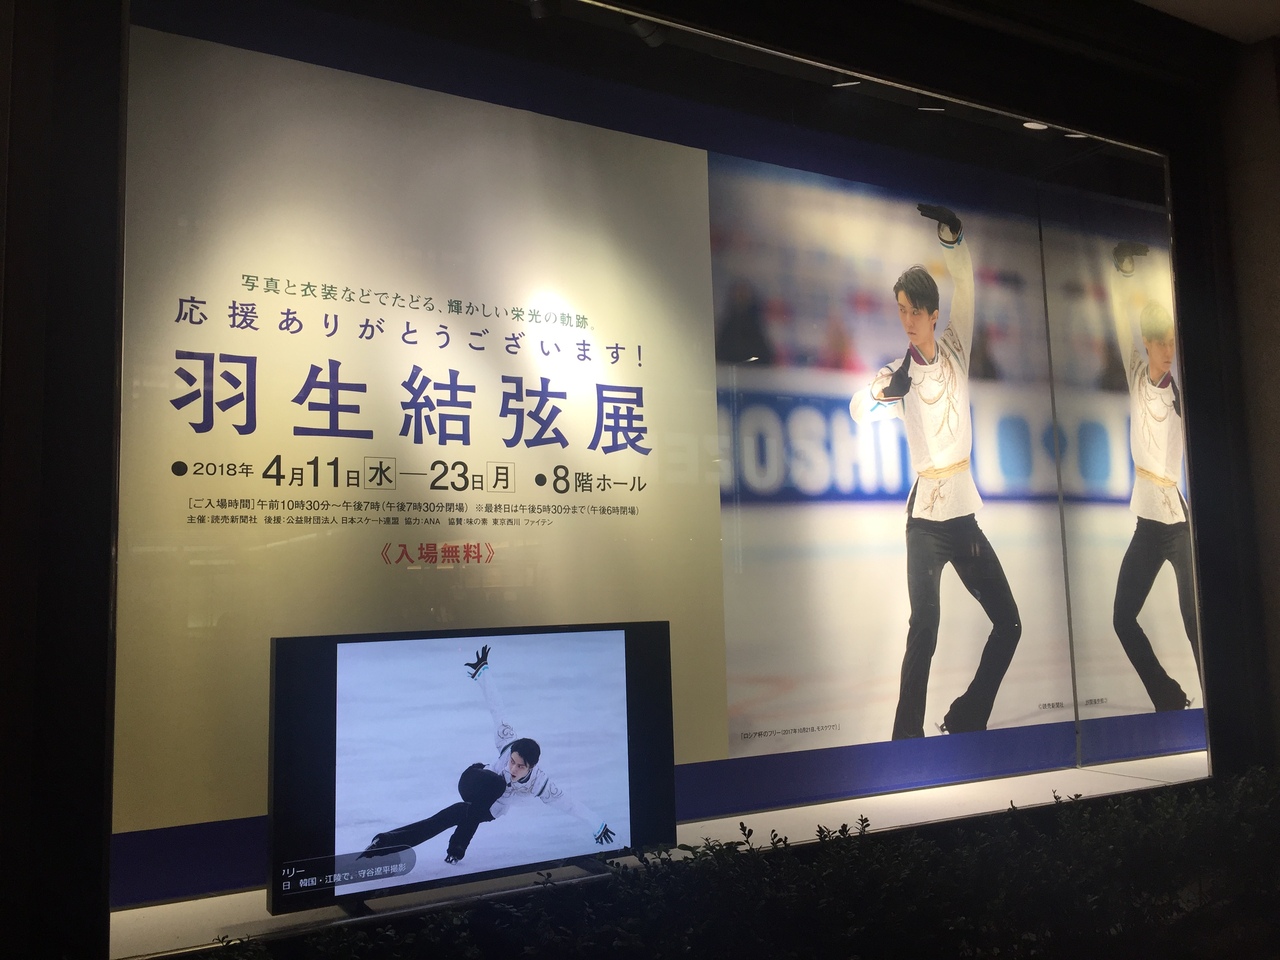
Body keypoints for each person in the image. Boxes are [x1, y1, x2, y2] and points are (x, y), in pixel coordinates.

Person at [849, 203, 1022, 739]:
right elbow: (858, 407)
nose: (906, 320)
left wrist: (953, 240)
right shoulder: (896, 371)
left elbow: (966, 286)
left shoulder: (956, 350)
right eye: (900, 310)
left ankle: (967, 717)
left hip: (962, 519)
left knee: (1010, 624)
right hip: (924, 523)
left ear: (931, 313)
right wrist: (884, 392)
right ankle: (907, 738)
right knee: (924, 625)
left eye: (914, 311)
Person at [361, 644, 615, 864]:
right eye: (512, 761)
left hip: (489, 809)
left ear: (531, 768)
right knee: (496, 783)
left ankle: (385, 843)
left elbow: (569, 803)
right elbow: (497, 708)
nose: (512, 768)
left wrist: (597, 824)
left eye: (520, 767)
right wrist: (483, 672)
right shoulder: (508, 741)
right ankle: (458, 847)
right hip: (475, 781)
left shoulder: (540, 784)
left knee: (445, 818)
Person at [1107, 241, 1200, 711]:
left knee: (1194, 618)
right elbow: (1122, 318)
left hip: (1178, 525)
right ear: (1147, 343)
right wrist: (1124, 270)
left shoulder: (1184, 397)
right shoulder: (1136, 373)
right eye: (1159, 342)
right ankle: (1167, 696)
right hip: (1148, 523)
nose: (1167, 350)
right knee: (1123, 618)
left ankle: (1216, 699)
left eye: (1171, 342)